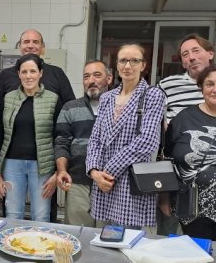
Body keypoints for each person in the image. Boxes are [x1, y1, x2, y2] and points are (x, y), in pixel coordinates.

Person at [0, 29, 75, 222]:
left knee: (42, 214)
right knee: (13, 214)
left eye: (35, 41)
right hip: (12, 163)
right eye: (26, 41)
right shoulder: (7, 85)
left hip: (44, 163)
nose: (28, 76)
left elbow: (65, 124)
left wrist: (59, 169)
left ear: (41, 73)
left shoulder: (56, 82)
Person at [85, 43, 165, 228]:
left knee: (128, 240)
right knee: (103, 239)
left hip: (130, 179)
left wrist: (109, 171)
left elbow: (148, 141)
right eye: (123, 61)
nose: (128, 66)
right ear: (117, 65)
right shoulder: (107, 97)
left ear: (143, 65)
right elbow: (95, 138)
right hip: (103, 182)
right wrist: (94, 171)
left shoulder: (153, 95)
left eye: (134, 61)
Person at [157, 34, 214, 235]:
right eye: (185, 54)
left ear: (210, 53)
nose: (190, 57)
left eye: (196, 51)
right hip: (181, 183)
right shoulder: (168, 85)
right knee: (172, 240)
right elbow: (155, 124)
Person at [56, 60, 112, 227]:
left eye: (97, 75)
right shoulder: (70, 108)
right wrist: (62, 170)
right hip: (78, 182)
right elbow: (61, 142)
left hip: (110, 184)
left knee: (107, 238)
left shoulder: (120, 107)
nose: (91, 80)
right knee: (78, 234)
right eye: (86, 76)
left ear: (109, 79)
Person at [165, 64, 216, 240]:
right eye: (210, 84)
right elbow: (168, 159)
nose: (215, 90)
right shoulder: (183, 119)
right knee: (197, 259)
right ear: (201, 87)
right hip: (193, 210)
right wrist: (164, 197)